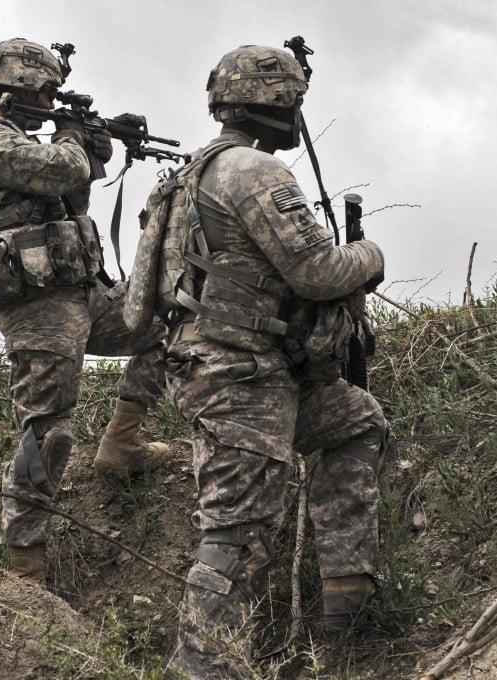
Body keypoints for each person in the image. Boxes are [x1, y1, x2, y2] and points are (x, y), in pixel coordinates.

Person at [137, 46, 387, 678]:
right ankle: (201, 671)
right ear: (281, 104)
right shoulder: (252, 170)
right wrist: (372, 256)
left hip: (247, 372)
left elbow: (140, 300)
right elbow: (318, 270)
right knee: (238, 535)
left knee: (355, 420)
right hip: (239, 376)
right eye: (295, 102)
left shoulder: (185, 177)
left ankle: (347, 601)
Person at [0, 38, 170, 581]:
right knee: (46, 433)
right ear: (17, 89)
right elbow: (62, 170)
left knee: (167, 325)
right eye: (46, 93)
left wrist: (97, 145)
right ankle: (26, 565)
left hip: (83, 293)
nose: (51, 103)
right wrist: (76, 139)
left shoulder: (25, 144)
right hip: (37, 306)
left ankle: (121, 443)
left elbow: (70, 198)